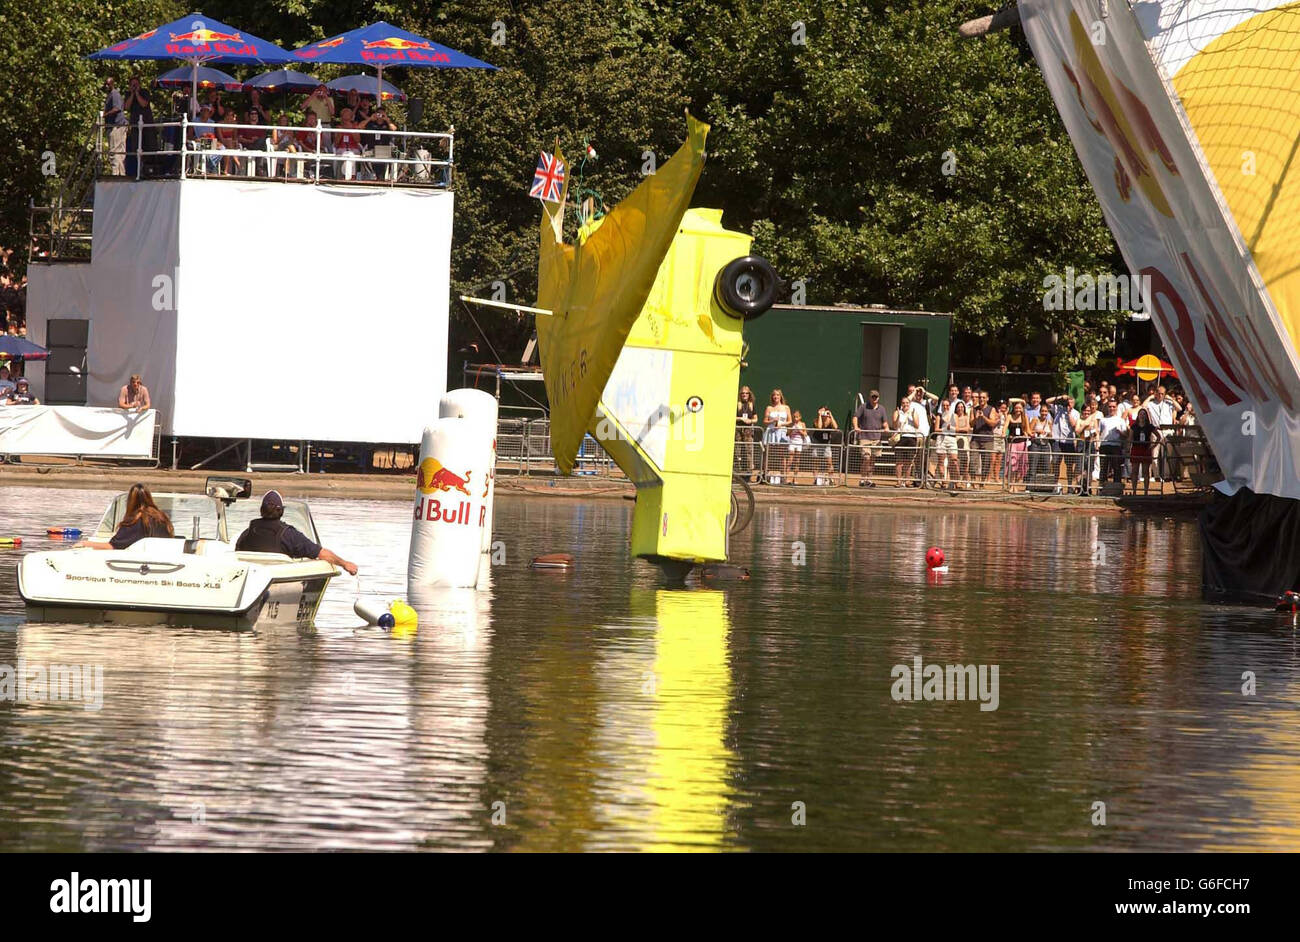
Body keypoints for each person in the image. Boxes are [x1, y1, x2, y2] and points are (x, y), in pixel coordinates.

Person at [236, 490, 358, 574]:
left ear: (261, 510)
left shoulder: (247, 534)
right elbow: (322, 554)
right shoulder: (290, 535)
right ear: (281, 511)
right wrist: (345, 564)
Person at [78, 483, 173, 549]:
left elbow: (113, 546)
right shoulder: (161, 517)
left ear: (130, 501)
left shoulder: (135, 521)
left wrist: (85, 543)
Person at [852, 390, 889, 486]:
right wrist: (856, 427)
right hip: (865, 437)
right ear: (870, 397)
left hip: (876, 438)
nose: (874, 398)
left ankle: (869, 479)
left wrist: (886, 427)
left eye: (876, 397)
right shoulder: (863, 406)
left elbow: (884, 421)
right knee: (866, 458)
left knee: (873, 459)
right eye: (873, 397)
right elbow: (855, 417)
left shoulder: (882, 409)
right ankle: (863, 478)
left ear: (878, 398)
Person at [123, 74, 153, 178]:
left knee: (148, 147)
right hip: (135, 125)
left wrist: (137, 93)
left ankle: (147, 170)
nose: (134, 86)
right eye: (132, 85)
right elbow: (126, 107)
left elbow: (143, 104)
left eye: (136, 84)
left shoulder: (145, 92)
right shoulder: (128, 94)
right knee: (136, 148)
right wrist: (132, 94)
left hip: (147, 125)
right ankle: (138, 170)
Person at [103, 77, 127, 175]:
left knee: (115, 150)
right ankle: (121, 174)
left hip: (116, 125)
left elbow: (117, 108)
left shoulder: (114, 94)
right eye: (106, 84)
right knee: (119, 151)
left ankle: (116, 173)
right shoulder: (112, 94)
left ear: (112, 84)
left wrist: (105, 114)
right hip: (117, 125)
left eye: (108, 84)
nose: (106, 86)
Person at [735, 386, 759, 482]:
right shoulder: (737, 404)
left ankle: (748, 473)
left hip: (748, 431)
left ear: (749, 394)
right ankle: (737, 472)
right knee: (738, 451)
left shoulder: (751, 405)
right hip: (738, 430)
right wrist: (741, 419)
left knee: (748, 450)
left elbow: (756, 418)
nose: (744, 395)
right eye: (743, 393)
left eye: (746, 393)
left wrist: (750, 420)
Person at [811, 405, 839, 481]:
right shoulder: (816, 420)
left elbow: (836, 427)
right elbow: (819, 427)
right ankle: (815, 479)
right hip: (817, 442)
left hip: (826, 443)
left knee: (829, 462)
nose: (823, 413)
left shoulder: (830, 420)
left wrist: (831, 415)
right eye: (821, 411)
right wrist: (820, 415)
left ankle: (831, 479)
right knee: (816, 462)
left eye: (824, 411)